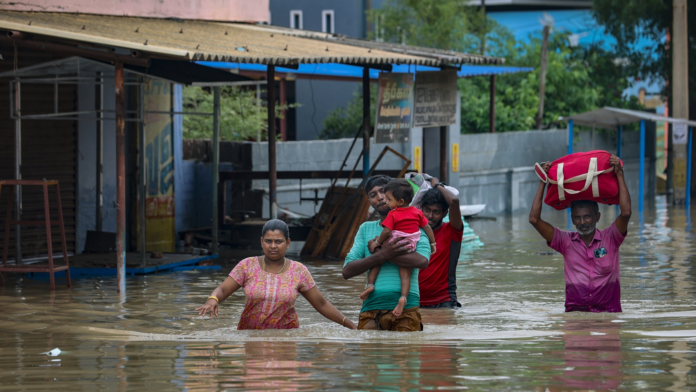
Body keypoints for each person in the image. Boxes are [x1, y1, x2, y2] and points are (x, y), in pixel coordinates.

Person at [196, 219, 357, 329]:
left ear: (288, 243)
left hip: (286, 340)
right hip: (250, 338)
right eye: (268, 241)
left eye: (278, 241)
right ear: (261, 242)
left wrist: (350, 325)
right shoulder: (247, 265)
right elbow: (223, 290)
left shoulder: (299, 271)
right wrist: (212, 299)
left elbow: (321, 304)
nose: (273, 246)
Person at [529, 154, 631, 312]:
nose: (582, 222)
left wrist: (619, 173)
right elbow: (534, 220)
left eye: (587, 216)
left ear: (597, 217)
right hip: (574, 317)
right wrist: (543, 181)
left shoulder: (611, 238)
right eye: (577, 218)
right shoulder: (565, 242)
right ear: (572, 219)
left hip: (608, 316)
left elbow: (626, 213)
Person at [342, 175, 431, 331]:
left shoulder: (415, 225)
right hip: (371, 309)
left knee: (405, 355)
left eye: (383, 191)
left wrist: (382, 252)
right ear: (369, 202)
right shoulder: (365, 229)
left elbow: (422, 261)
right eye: (373, 195)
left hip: (407, 309)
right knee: (369, 354)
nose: (380, 198)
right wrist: (380, 255)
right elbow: (347, 271)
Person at [362, 179, 437, 316]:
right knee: (405, 275)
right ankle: (403, 298)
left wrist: (378, 244)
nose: (386, 201)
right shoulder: (417, 212)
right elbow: (427, 227)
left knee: (377, 261)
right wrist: (433, 244)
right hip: (409, 245)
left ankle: (370, 285)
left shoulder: (393, 213)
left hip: (394, 241)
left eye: (389, 199)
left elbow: (386, 231)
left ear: (401, 201)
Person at [417, 177, 465, 308]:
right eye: (427, 210)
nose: (430, 216)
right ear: (421, 209)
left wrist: (436, 184)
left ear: (445, 213)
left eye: (436, 212)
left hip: (444, 301)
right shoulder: (414, 232)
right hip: (414, 301)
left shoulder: (452, 231)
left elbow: (454, 201)